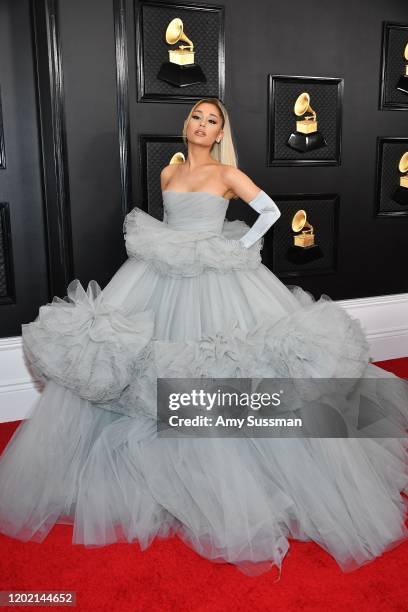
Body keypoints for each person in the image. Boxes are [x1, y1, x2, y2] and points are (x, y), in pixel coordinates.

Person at [0, 97, 407, 579]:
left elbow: (270, 210)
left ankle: (237, 470)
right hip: (159, 273)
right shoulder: (168, 175)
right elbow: (173, 221)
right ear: (187, 124)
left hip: (217, 277)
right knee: (136, 362)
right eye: (197, 116)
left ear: (220, 134)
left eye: (212, 120)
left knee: (225, 366)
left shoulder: (227, 175)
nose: (202, 124)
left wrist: (237, 245)